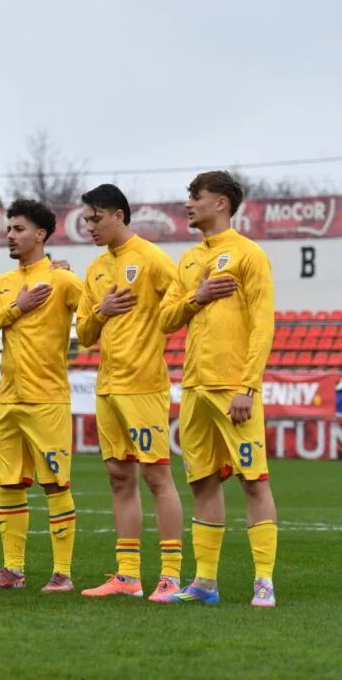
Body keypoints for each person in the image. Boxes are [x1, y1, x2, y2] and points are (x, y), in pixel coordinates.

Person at [158, 171, 277, 607]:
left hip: (234, 389)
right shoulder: (190, 260)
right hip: (194, 387)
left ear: (221, 203)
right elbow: (165, 319)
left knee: (253, 481)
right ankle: (205, 583)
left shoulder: (250, 255)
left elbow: (263, 325)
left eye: (196, 196)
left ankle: (263, 581)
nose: (188, 203)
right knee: (203, 483)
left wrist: (248, 386)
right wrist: (199, 296)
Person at [75, 185, 185, 601]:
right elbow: (85, 333)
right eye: (87, 220)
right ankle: (127, 576)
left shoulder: (153, 259)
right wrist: (101, 310)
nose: (89, 227)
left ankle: (171, 576)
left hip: (144, 384)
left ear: (118, 215)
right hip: (107, 386)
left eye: (95, 218)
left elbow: (180, 307)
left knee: (157, 476)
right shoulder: (95, 269)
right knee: (119, 477)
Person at [0, 199, 83, 593]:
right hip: (8, 399)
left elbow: (93, 312)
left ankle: (63, 573)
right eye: (9, 229)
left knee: (55, 484)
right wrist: (15, 308)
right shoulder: (3, 283)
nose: (10, 235)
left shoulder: (62, 280)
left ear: (40, 234)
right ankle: (12, 570)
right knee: (9, 485)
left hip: (47, 398)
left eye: (18, 229)